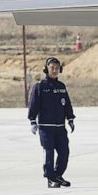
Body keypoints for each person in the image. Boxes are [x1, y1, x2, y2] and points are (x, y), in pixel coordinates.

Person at [28, 56, 76, 188]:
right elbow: (33, 104)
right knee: (48, 152)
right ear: (46, 69)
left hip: (60, 127)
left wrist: (70, 118)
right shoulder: (40, 87)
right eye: (52, 68)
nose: (54, 70)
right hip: (46, 128)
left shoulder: (61, 87)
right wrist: (32, 120)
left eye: (56, 68)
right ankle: (50, 178)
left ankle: (58, 175)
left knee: (64, 152)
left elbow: (67, 104)